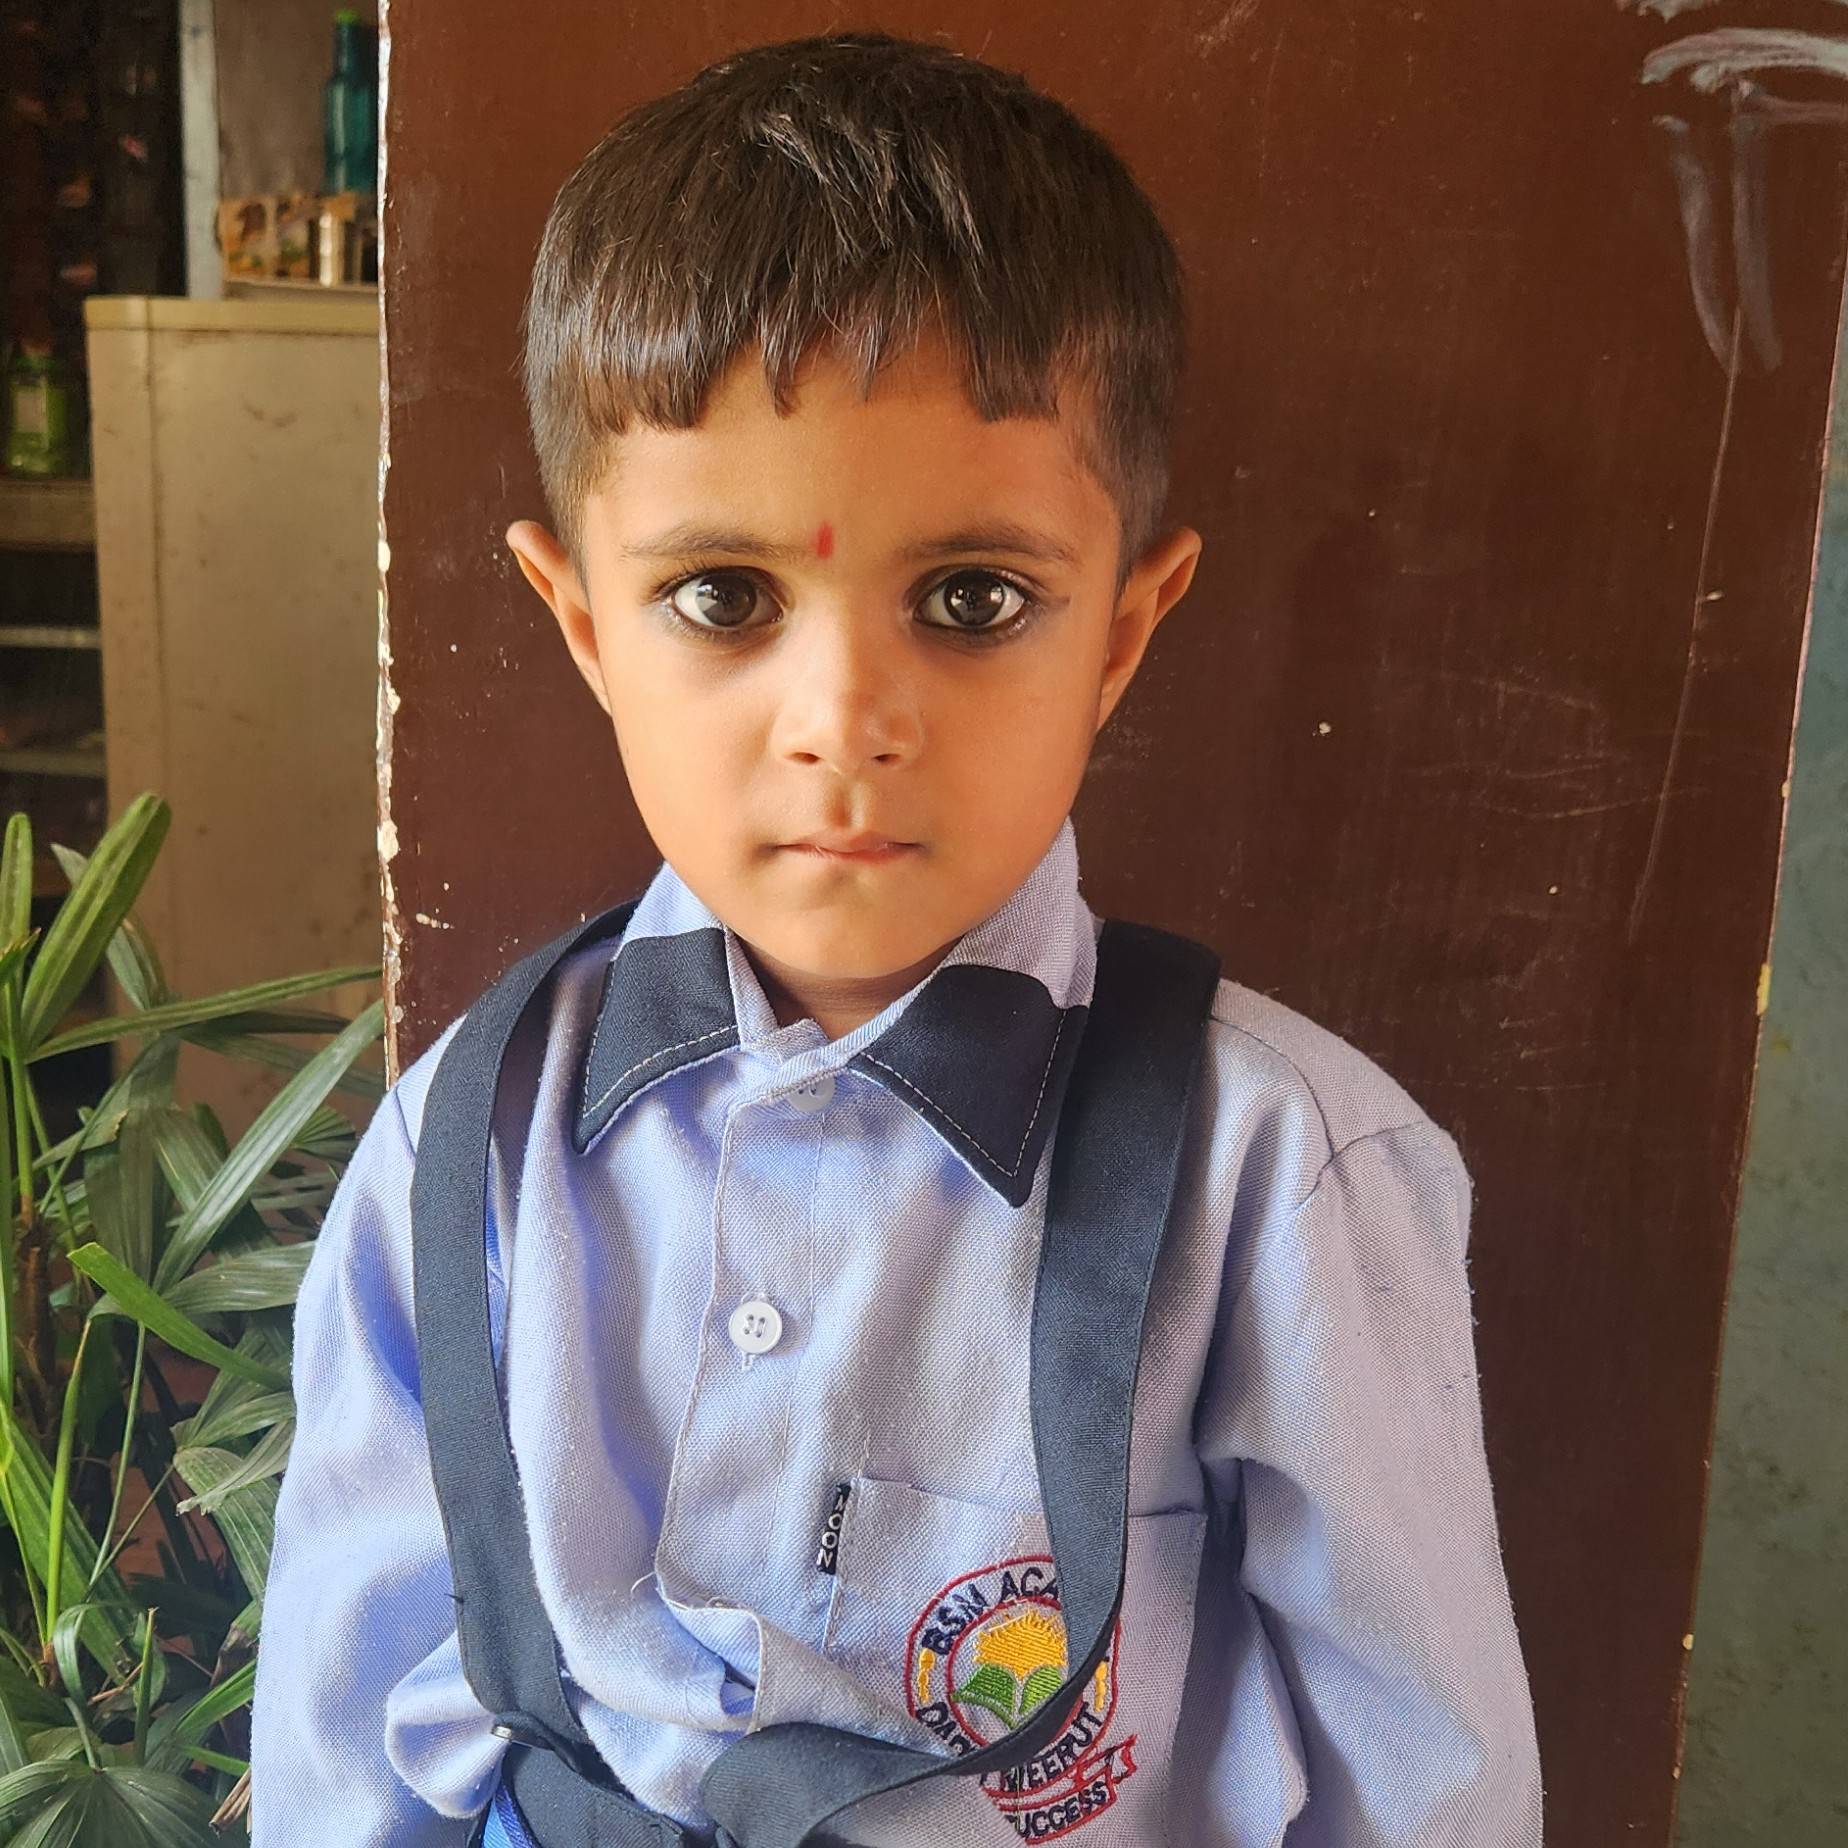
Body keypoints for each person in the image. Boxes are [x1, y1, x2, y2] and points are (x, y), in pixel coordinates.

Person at [249, 28, 1543, 1847]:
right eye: (722, 595)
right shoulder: (464, 1142)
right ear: (584, 623)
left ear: (1122, 631)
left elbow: (1424, 1788)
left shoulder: (1283, 1175)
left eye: (972, 598)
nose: (844, 720)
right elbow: (348, 1724)